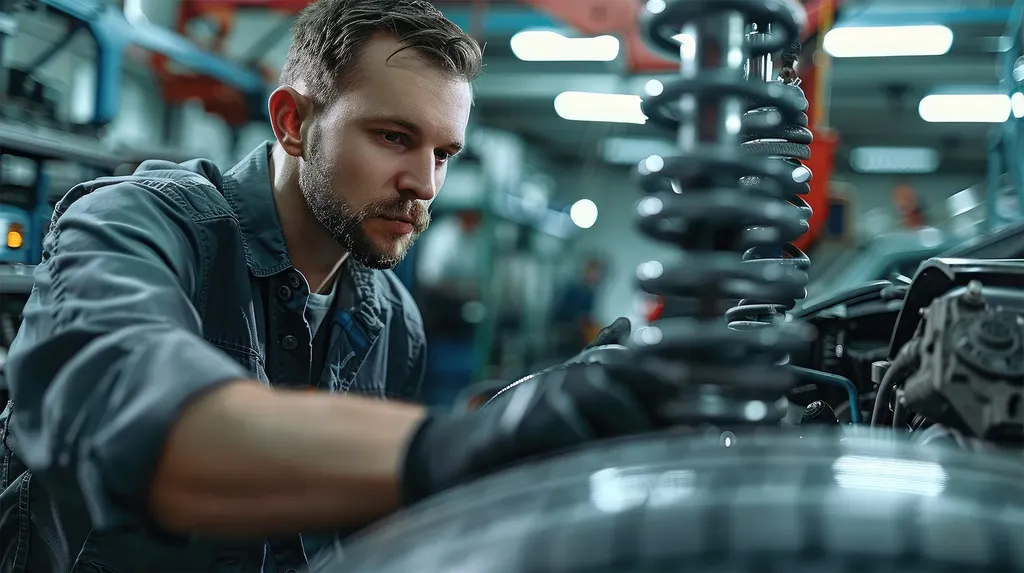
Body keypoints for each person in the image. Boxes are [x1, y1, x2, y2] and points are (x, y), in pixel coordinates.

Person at [0, 1, 673, 572]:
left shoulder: (392, 318)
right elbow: (139, 428)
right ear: (293, 123)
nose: (425, 183)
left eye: (443, 153)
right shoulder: (137, 222)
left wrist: (526, 414)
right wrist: (462, 445)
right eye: (392, 136)